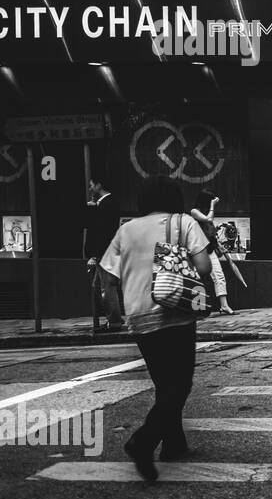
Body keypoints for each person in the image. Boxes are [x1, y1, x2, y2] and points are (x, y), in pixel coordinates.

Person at [98, 176, 212, 482]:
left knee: (165, 384)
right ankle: (144, 441)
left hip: (139, 316)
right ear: (174, 197)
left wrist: (115, 316)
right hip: (174, 312)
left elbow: (108, 278)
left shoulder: (126, 229)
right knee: (180, 384)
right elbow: (204, 268)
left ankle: (174, 444)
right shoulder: (183, 222)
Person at [84, 175, 123, 330]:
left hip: (104, 251)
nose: (90, 188)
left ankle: (114, 321)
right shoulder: (104, 204)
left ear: (99, 185)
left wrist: (95, 254)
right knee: (98, 286)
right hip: (105, 251)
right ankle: (114, 318)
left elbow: (101, 231)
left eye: (92, 185)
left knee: (106, 287)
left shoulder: (107, 204)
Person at [190, 190, 235, 315]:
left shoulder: (207, 213)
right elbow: (208, 219)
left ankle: (224, 306)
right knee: (198, 279)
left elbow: (211, 233)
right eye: (210, 201)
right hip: (198, 251)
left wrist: (219, 245)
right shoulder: (195, 211)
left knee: (219, 276)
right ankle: (197, 308)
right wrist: (212, 205)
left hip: (210, 250)